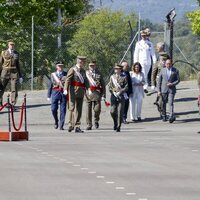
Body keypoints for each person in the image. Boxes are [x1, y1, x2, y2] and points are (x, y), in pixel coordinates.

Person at [64, 56, 88, 133]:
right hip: (73, 91)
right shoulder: (72, 69)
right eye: (81, 62)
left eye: (83, 62)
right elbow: (68, 79)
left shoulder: (83, 71)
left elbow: (85, 81)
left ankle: (77, 126)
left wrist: (89, 88)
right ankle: (70, 125)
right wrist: (65, 89)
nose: (82, 63)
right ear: (78, 61)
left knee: (79, 109)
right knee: (71, 108)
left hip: (80, 91)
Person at [0, 40, 23, 106]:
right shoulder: (3, 53)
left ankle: (12, 103)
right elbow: (0, 63)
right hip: (5, 72)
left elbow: (18, 65)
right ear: (8, 45)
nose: (12, 46)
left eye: (13, 45)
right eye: (11, 44)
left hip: (14, 73)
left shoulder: (16, 53)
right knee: (1, 88)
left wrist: (20, 75)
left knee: (14, 88)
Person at [158, 59, 180, 123]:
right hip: (163, 89)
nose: (168, 65)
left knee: (170, 103)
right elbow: (159, 81)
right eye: (167, 63)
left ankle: (171, 116)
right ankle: (164, 115)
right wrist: (158, 91)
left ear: (171, 64)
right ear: (165, 64)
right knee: (163, 103)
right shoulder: (162, 70)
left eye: (169, 63)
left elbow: (178, 80)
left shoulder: (175, 70)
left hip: (171, 89)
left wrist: (172, 84)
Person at [85, 61, 106, 130]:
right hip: (88, 93)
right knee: (88, 110)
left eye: (93, 65)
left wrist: (103, 94)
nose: (92, 67)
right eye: (90, 66)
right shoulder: (86, 73)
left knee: (97, 109)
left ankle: (96, 120)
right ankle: (89, 124)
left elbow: (103, 84)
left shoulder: (99, 73)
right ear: (88, 66)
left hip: (97, 93)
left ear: (95, 66)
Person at [47, 61, 67, 130]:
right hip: (55, 92)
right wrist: (48, 95)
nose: (60, 67)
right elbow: (50, 85)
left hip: (63, 93)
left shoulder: (66, 74)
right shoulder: (53, 75)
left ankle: (61, 125)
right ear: (56, 67)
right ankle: (56, 121)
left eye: (61, 66)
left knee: (63, 110)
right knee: (53, 109)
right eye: (59, 66)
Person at [108, 64, 128, 132]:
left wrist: (120, 91)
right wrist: (113, 92)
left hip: (121, 96)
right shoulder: (112, 77)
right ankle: (115, 122)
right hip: (114, 96)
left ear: (120, 69)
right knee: (112, 111)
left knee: (120, 111)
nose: (116, 70)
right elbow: (110, 86)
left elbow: (126, 87)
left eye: (118, 69)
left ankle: (118, 126)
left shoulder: (124, 77)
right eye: (115, 69)